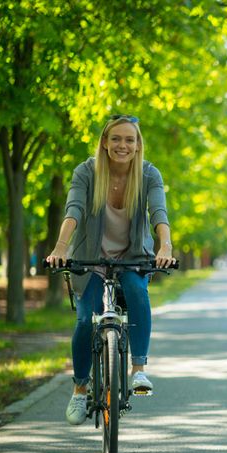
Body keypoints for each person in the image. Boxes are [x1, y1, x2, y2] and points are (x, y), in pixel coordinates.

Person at [46, 115, 176, 425]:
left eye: (129, 139)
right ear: (105, 142)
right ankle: (80, 390)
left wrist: (166, 246)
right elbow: (73, 209)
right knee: (84, 321)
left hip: (132, 255)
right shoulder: (87, 172)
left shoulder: (148, 174)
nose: (123, 145)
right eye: (116, 138)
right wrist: (61, 246)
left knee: (136, 293)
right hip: (90, 258)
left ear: (137, 145)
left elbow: (158, 211)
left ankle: (138, 370)